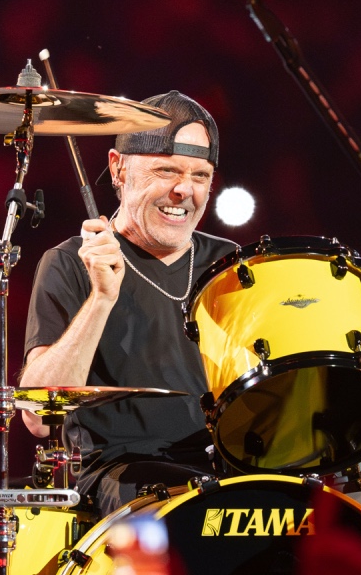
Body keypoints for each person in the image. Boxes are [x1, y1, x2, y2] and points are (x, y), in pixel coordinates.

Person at [19, 92, 236, 512]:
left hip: (225, 472)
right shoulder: (68, 264)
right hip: (123, 478)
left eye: (200, 176)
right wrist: (101, 299)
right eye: (166, 170)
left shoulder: (230, 264)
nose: (183, 190)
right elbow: (35, 415)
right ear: (118, 168)